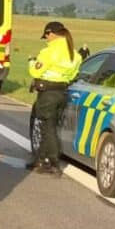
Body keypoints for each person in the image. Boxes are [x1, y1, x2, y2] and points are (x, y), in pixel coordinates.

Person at [27, 20, 82, 175]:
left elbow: (35, 72)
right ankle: (39, 160)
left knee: (47, 128)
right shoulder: (75, 55)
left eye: (46, 36)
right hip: (62, 93)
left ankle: (53, 162)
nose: (46, 39)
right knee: (50, 126)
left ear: (51, 33)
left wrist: (31, 62)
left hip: (48, 94)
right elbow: (72, 75)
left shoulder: (49, 52)